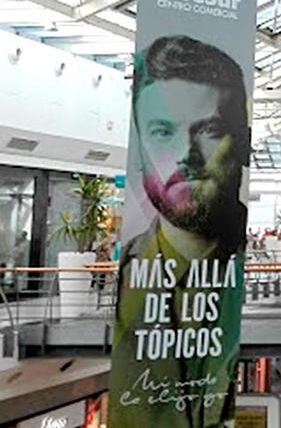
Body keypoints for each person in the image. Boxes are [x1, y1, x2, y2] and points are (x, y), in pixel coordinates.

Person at [110, 36, 251, 428]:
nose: (185, 153)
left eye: (208, 130)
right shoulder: (127, 277)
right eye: (162, 132)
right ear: (139, 150)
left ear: (243, 144)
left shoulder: (261, 276)